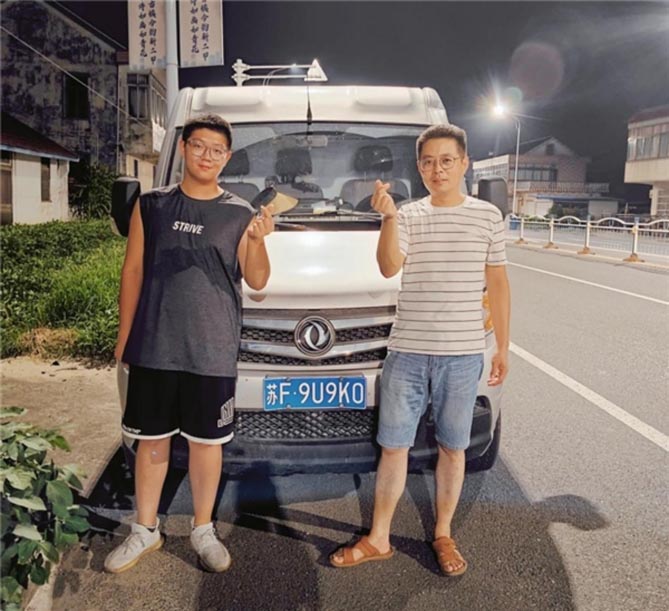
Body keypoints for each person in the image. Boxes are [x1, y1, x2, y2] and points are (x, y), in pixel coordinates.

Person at [330, 124, 510, 576]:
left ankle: (443, 534)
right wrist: (389, 218)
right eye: (428, 161)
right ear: (419, 166)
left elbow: (498, 284)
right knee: (393, 446)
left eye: (447, 160)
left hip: (463, 354)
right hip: (407, 351)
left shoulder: (488, 216)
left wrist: (503, 348)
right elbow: (388, 265)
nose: (437, 169)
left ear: (465, 163)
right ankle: (379, 538)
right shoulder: (408, 214)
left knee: (453, 447)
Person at [104, 114, 274, 573]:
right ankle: (145, 529)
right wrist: (124, 337)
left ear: (227, 158)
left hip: (212, 349)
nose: (207, 156)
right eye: (199, 146)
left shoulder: (239, 213)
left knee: (206, 445)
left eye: (217, 150)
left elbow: (257, 280)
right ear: (183, 148)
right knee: (151, 442)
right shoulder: (152, 205)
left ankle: (203, 529)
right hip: (154, 344)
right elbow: (132, 271)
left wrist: (259, 242)